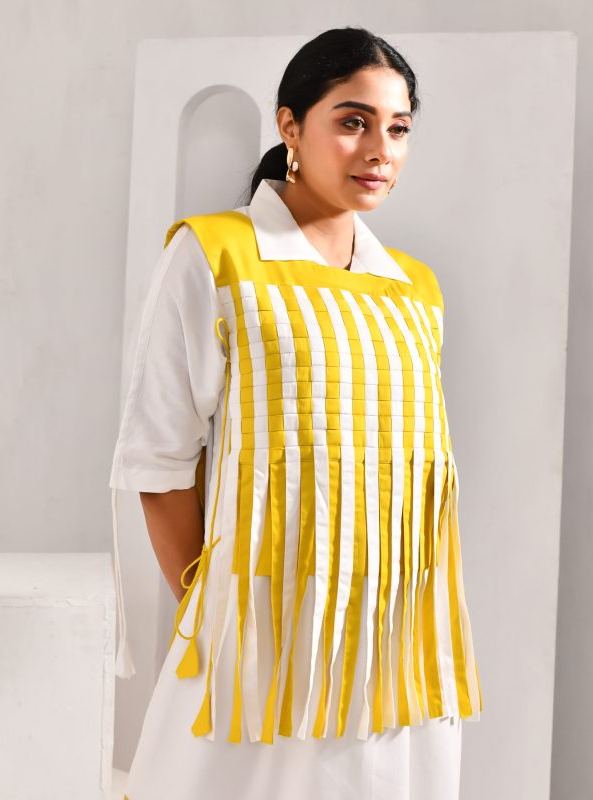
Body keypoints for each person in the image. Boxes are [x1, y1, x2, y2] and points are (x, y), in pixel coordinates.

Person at [109, 25, 483, 800]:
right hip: (261, 639)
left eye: (398, 128)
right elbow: (159, 458)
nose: (378, 149)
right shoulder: (214, 255)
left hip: (398, 638)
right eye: (352, 121)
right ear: (290, 125)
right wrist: (220, 609)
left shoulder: (414, 289)